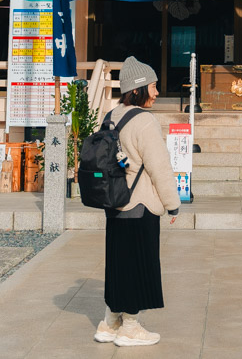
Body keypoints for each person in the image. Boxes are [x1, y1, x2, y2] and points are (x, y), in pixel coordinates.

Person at [94, 55, 179, 347]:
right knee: (138, 262)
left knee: (118, 261)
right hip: (139, 203)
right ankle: (130, 326)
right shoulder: (144, 121)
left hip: (114, 202)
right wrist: (172, 202)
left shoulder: (111, 116)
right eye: (154, 87)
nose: (157, 93)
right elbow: (159, 166)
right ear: (139, 88)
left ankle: (109, 322)